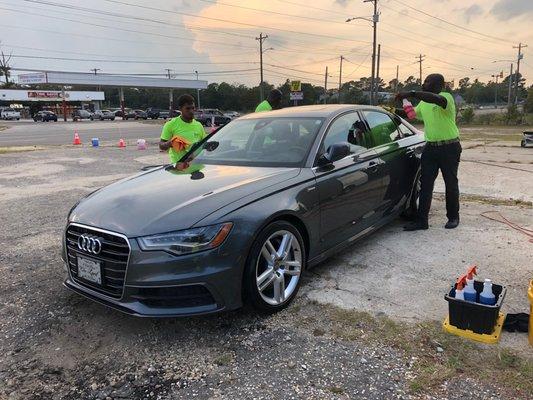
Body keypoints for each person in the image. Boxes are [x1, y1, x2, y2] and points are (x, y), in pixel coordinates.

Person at [396, 73, 461, 231]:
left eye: (427, 82)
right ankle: (421, 221)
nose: (424, 84)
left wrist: (411, 94)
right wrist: (392, 110)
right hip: (431, 147)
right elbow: (411, 114)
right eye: (424, 81)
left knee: (450, 183)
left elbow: (434, 99)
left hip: (449, 147)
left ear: (439, 85)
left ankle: (453, 217)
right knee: (425, 184)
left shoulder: (445, 97)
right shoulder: (424, 103)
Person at [159, 94, 206, 169]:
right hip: (179, 168)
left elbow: (204, 145)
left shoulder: (199, 125)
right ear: (180, 109)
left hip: (197, 167)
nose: (191, 111)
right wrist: (170, 143)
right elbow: (161, 146)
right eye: (187, 108)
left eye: (193, 108)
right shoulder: (171, 124)